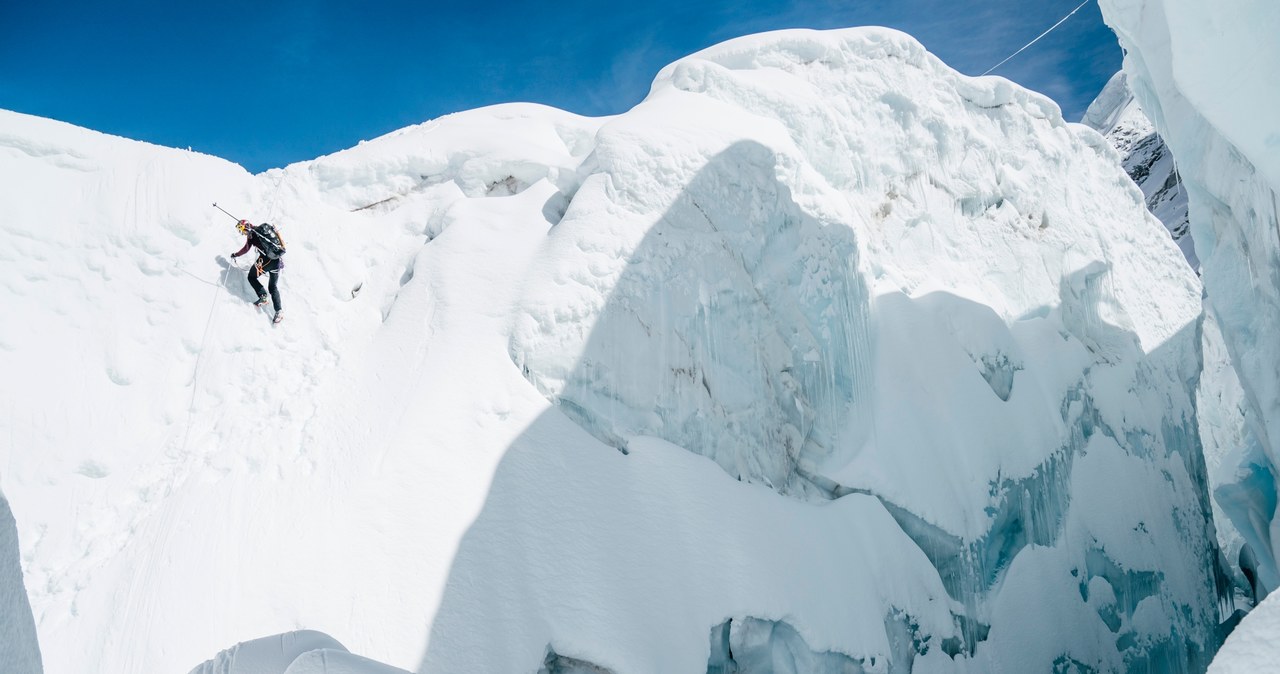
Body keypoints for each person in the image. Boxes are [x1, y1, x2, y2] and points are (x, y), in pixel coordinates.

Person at [231, 219, 286, 322]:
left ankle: (263, 296)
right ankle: (279, 311)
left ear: (244, 228)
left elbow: (246, 249)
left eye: (242, 231)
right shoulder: (261, 230)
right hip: (277, 261)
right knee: (273, 287)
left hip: (266, 260)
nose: (243, 233)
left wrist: (235, 255)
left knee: (251, 277)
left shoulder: (252, 235)